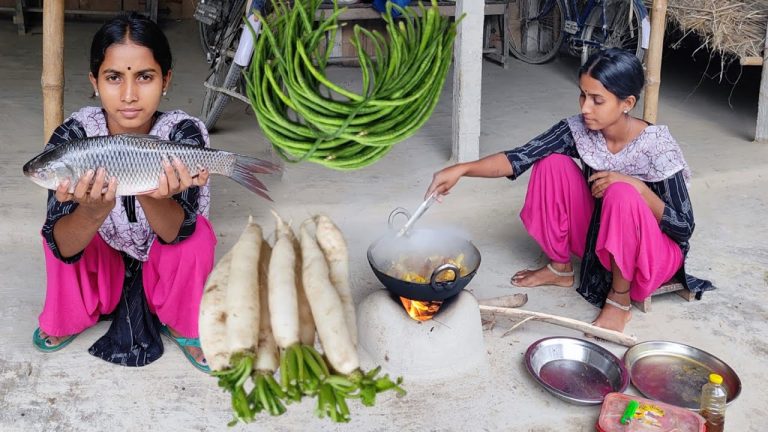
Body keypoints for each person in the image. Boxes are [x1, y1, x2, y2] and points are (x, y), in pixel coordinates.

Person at [426, 48, 712, 334]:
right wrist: (462, 169)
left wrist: (637, 187)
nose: (585, 107)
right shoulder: (580, 129)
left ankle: (619, 298)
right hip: (602, 240)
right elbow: (519, 156)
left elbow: (683, 228)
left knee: (621, 193)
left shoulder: (658, 147)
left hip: (651, 256)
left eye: (597, 100)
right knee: (550, 162)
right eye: (582, 95)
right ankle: (559, 268)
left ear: (627, 103)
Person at [32, 12, 215, 372]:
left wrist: (150, 191)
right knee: (55, 231)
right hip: (106, 267)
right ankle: (71, 313)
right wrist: (91, 212)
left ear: (165, 80)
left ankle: (182, 320)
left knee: (198, 238)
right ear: (95, 81)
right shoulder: (75, 138)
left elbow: (176, 233)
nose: (129, 95)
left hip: (163, 263)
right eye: (114, 77)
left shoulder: (183, 134)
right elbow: (63, 245)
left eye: (144, 77)